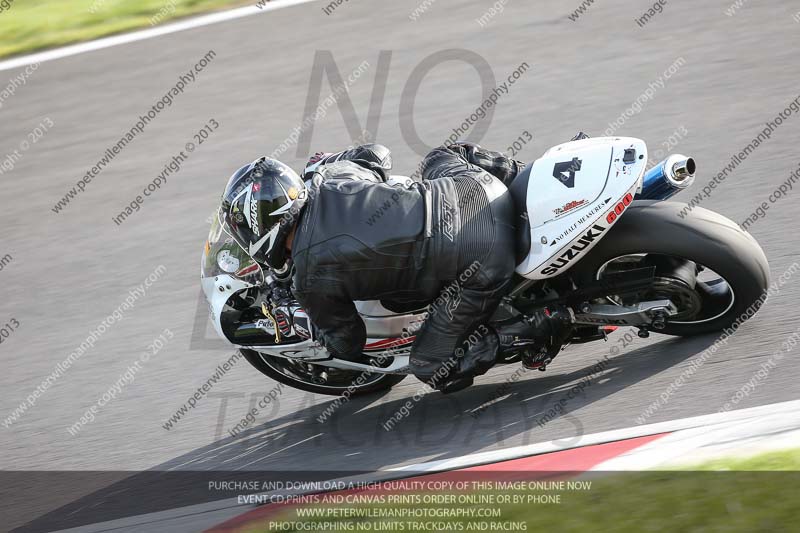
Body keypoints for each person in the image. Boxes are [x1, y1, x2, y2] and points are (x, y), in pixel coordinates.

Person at [220, 142, 570, 393]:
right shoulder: (331, 178)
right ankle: (530, 177)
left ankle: (541, 325)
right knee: (442, 155)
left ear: (263, 227)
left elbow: (347, 343)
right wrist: (324, 163)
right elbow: (375, 153)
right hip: (479, 189)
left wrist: (300, 320)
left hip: (483, 260)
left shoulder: (311, 275)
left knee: (431, 367)